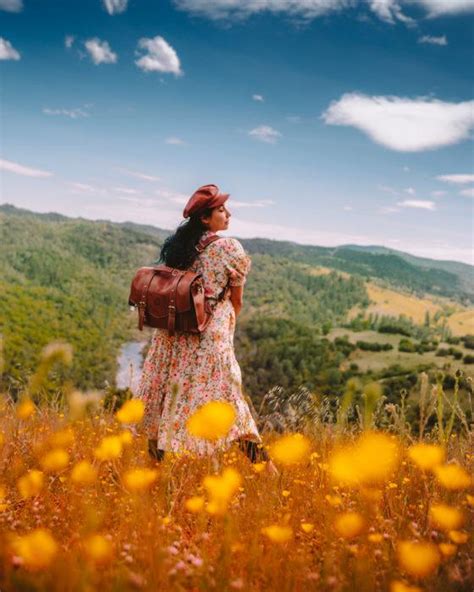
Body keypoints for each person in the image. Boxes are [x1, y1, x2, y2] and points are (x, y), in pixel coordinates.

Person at [135, 184, 277, 473]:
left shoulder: (178, 247)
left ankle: (155, 472)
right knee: (230, 401)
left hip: (171, 335)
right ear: (205, 218)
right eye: (221, 209)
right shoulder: (229, 247)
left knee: (163, 399)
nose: (228, 214)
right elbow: (236, 302)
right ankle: (269, 474)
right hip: (208, 337)